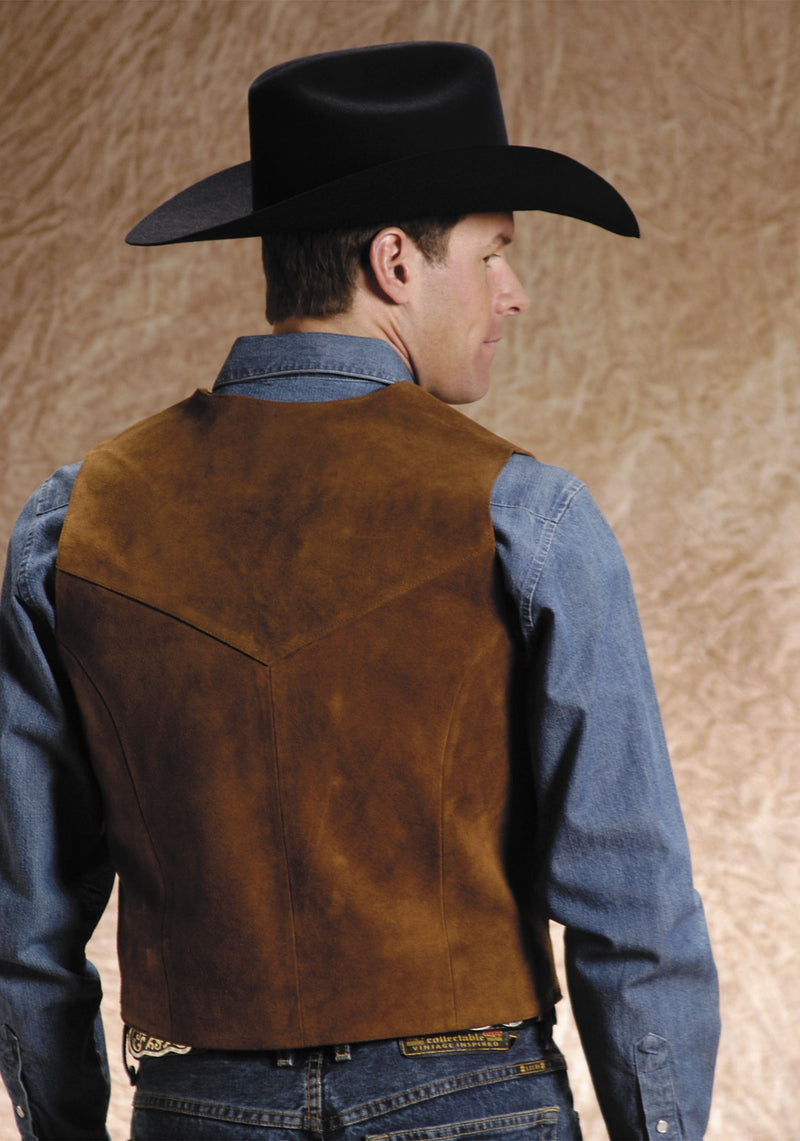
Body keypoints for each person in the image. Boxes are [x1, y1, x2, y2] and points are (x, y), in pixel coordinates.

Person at [0, 41, 719, 1141]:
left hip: (199, 1107)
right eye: (492, 254)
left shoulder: (75, 521)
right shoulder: (525, 514)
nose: (514, 294)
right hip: (472, 1099)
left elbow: (24, 920)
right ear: (394, 262)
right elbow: (633, 903)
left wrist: (62, 1124)